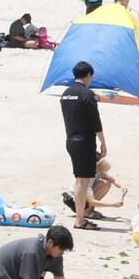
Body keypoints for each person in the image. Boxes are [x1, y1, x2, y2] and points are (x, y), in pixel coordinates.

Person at [60, 61, 107, 230]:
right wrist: (103, 142)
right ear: (88, 75)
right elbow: (95, 121)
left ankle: (81, 216)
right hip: (85, 141)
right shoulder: (88, 94)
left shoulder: (66, 94)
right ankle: (80, 219)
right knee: (83, 182)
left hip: (70, 140)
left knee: (81, 180)